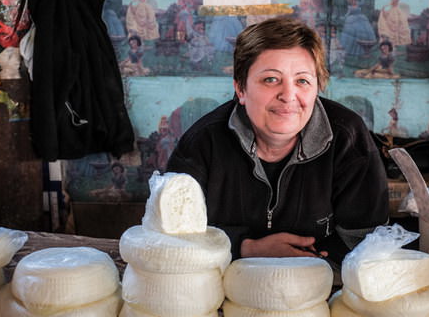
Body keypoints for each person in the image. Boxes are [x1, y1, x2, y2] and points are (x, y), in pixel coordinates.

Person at [166, 17, 389, 264]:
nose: (288, 95)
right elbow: (172, 236)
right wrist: (247, 248)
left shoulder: (349, 138)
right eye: (271, 79)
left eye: (302, 81)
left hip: (323, 285)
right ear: (241, 89)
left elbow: (366, 241)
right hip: (221, 287)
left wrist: (307, 263)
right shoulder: (201, 144)